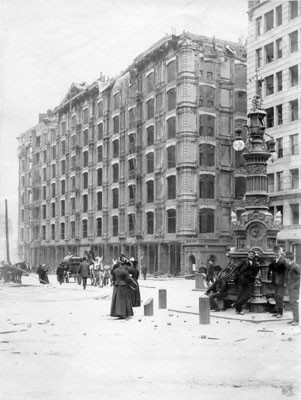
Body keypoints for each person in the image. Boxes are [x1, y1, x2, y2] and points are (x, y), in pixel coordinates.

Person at [231, 250, 259, 315]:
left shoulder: (254, 263)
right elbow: (236, 269)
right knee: (240, 294)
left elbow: (255, 272)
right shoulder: (243, 261)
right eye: (250, 254)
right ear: (248, 254)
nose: (251, 255)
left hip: (250, 280)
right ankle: (239, 310)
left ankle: (236, 304)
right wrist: (240, 276)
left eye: (253, 255)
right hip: (242, 279)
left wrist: (253, 277)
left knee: (249, 294)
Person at [268, 245, 287, 318]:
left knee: (280, 297)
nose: (276, 253)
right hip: (275, 281)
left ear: (280, 252)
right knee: (276, 297)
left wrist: (285, 282)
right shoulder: (275, 260)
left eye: (277, 252)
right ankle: (277, 311)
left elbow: (286, 272)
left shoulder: (283, 260)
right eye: (275, 252)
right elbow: (271, 268)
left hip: (281, 282)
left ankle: (280, 313)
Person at [285, 251, 300, 326]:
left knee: (294, 303)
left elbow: (299, 277)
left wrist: (295, 286)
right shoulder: (291, 266)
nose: (286, 260)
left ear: (288, 259)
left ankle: (296, 320)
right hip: (291, 287)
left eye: (286, 258)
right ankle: (294, 319)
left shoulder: (295, 266)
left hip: (294, 288)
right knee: (292, 303)